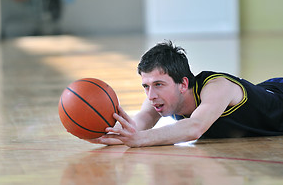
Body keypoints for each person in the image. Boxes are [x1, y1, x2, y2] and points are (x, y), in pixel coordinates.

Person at [88, 40, 283, 147]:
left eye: (158, 84)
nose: (151, 95)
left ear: (183, 84)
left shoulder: (218, 87)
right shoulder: (158, 99)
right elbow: (136, 127)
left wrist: (140, 139)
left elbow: (194, 127)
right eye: (146, 86)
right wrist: (106, 136)